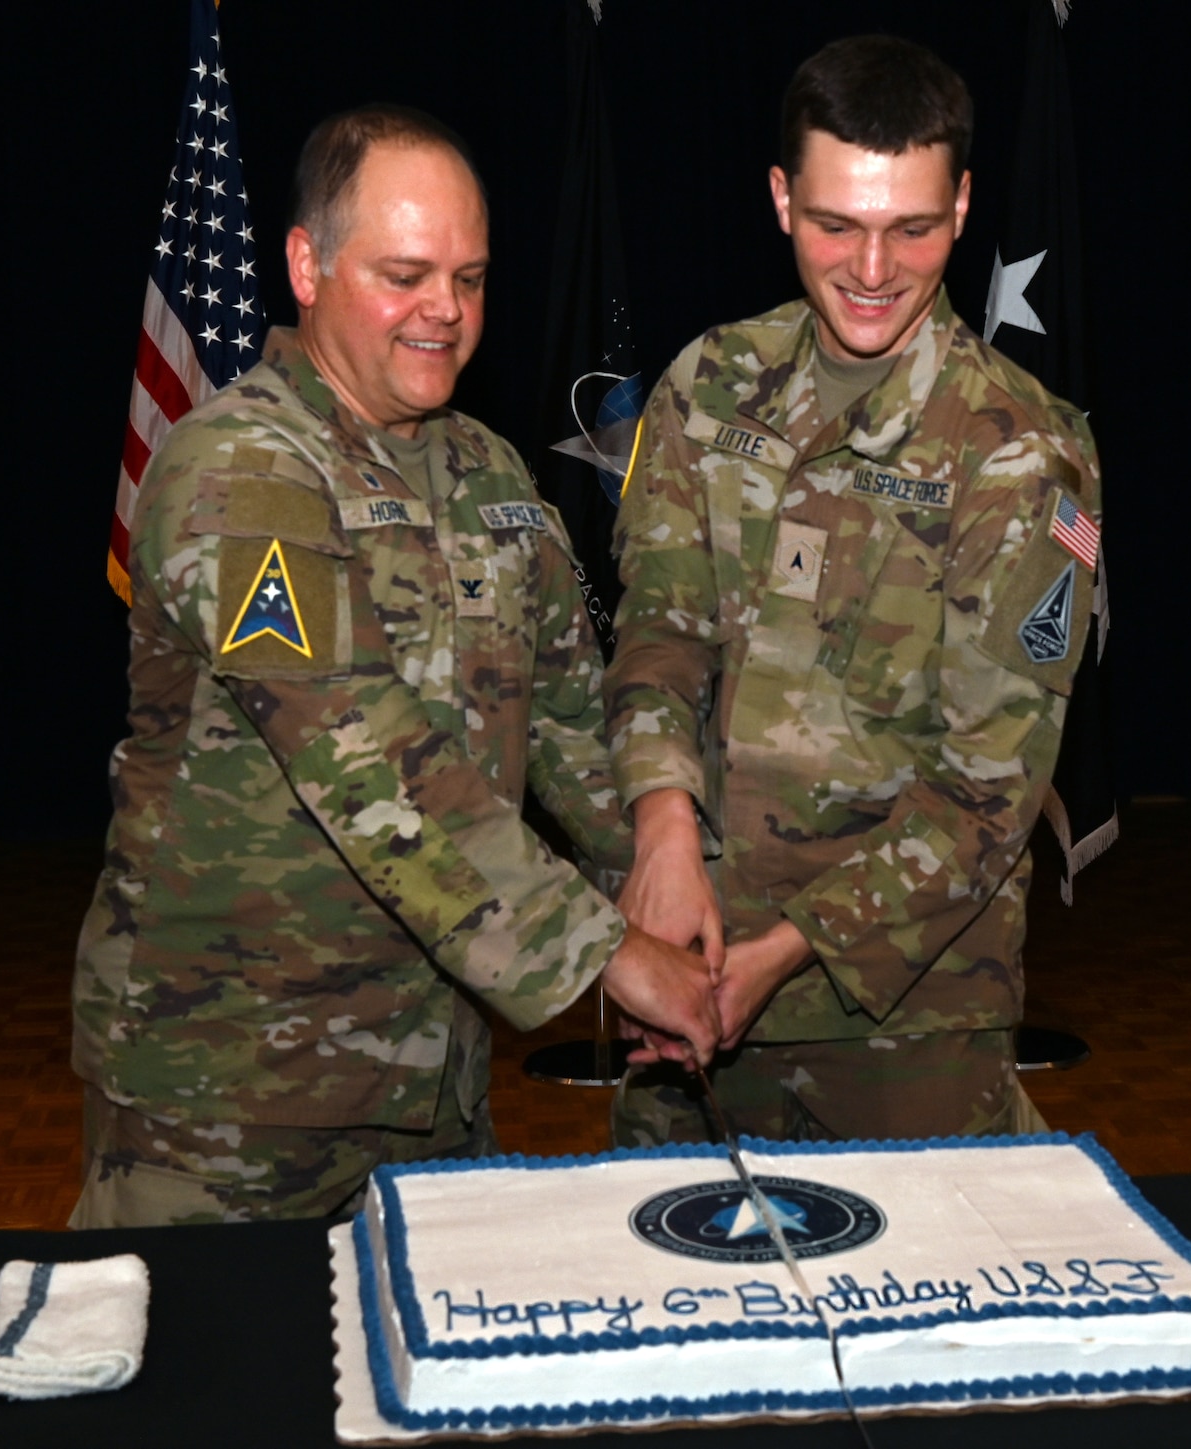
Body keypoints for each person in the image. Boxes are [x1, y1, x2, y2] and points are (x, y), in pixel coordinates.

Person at [70, 105, 717, 1227]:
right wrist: (611, 956)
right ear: (306, 264)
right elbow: (362, 756)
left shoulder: (490, 472)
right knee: (220, 1395)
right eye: (405, 274)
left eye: (468, 277)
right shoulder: (238, 468)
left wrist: (677, 889)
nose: (446, 313)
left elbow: (570, 728)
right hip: (230, 1098)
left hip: (435, 1084)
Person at [607, 36, 1101, 1145]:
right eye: (836, 223)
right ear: (781, 198)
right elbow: (657, 634)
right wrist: (662, 834)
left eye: (910, 228)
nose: (871, 269)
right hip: (677, 977)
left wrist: (776, 957)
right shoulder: (706, 385)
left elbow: (983, 802)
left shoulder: (1018, 454)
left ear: (962, 207)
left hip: (903, 1028)